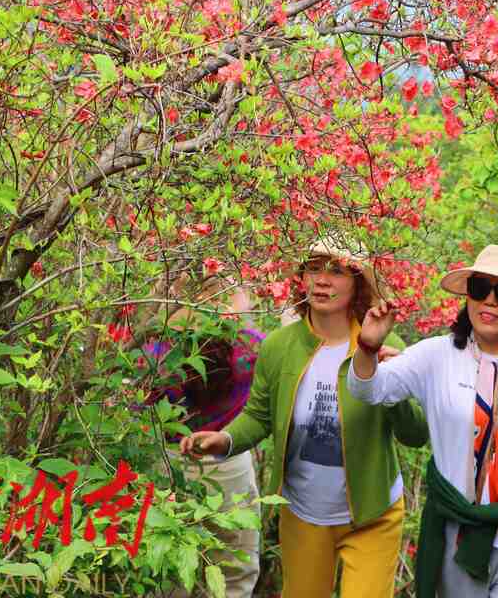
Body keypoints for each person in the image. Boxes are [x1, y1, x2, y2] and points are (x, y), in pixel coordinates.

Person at [179, 240, 428, 598]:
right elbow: (258, 416)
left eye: (337, 270)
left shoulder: (383, 345)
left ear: (357, 283)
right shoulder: (279, 347)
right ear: (301, 278)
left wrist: (382, 376)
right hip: (302, 513)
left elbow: (415, 434)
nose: (322, 280)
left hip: (373, 515)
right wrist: (225, 440)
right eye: (313, 268)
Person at [348, 244, 498, 598]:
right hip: (458, 536)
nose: (490, 301)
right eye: (480, 288)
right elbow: (369, 390)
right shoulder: (436, 356)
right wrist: (368, 347)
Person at [144, 277, 264, 598]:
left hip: (170, 460)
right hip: (226, 459)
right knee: (233, 568)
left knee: (168, 570)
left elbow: (136, 401)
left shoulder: (158, 348)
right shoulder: (249, 346)